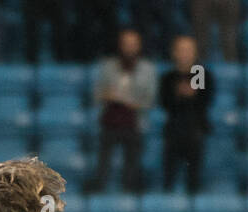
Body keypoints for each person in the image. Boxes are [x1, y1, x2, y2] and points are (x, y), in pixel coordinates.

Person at [90, 28, 156, 193]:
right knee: (103, 161)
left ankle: (130, 191)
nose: (129, 47)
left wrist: (131, 102)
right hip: (110, 118)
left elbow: (150, 100)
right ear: (120, 45)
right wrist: (109, 95)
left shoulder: (148, 69)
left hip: (134, 120)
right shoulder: (107, 66)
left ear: (139, 46)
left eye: (133, 44)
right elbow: (97, 94)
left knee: (132, 163)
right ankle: (99, 188)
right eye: (126, 44)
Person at [159, 35, 212, 194]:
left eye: (188, 50)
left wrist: (188, 95)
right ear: (174, 52)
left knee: (193, 176)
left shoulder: (199, 72)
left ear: (195, 52)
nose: (185, 53)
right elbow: (165, 102)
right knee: (169, 174)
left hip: (194, 129)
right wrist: (181, 95)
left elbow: (201, 100)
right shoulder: (168, 77)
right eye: (181, 50)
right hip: (173, 130)